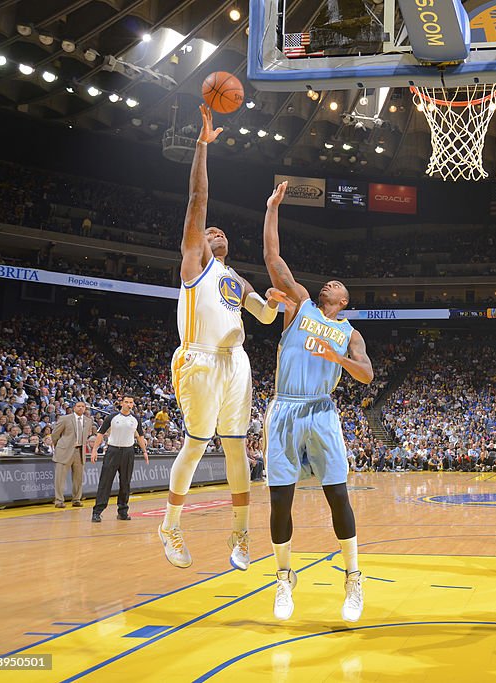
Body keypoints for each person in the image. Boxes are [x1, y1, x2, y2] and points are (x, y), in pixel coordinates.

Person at [158, 105, 285, 571]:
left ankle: (241, 536)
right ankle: (170, 524)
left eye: (220, 231)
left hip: (237, 362)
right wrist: (202, 146)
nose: (216, 230)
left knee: (237, 447)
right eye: (210, 232)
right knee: (195, 443)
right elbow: (197, 200)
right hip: (200, 359)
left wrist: (273, 303)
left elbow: (265, 319)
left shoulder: (237, 279)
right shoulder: (195, 263)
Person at [262, 180, 374, 622]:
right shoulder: (301, 306)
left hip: (322, 412)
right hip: (285, 407)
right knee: (279, 501)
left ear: (343, 301)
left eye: (336, 284)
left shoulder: (350, 333)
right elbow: (274, 260)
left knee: (337, 496)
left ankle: (353, 577)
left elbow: (367, 376)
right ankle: (284, 578)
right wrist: (273, 208)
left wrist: (338, 357)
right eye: (326, 282)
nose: (327, 282)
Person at [90, 396, 149, 523]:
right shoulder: (112, 417)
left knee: (125, 483)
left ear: (133, 404)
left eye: (131, 402)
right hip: (112, 451)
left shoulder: (135, 419)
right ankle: (97, 512)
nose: (128, 404)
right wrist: (94, 450)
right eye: (126, 402)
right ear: (122, 403)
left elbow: (140, 436)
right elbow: (100, 434)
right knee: (105, 482)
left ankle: (123, 511)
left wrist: (144, 451)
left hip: (128, 452)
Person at [51, 401, 94, 508]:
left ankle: (76, 499)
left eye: (83, 406)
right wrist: (60, 446)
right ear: (74, 407)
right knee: (60, 478)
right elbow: (55, 435)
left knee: (78, 478)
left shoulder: (88, 421)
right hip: (64, 451)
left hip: (80, 451)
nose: (80, 408)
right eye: (78, 406)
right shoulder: (65, 419)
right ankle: (59, 500)